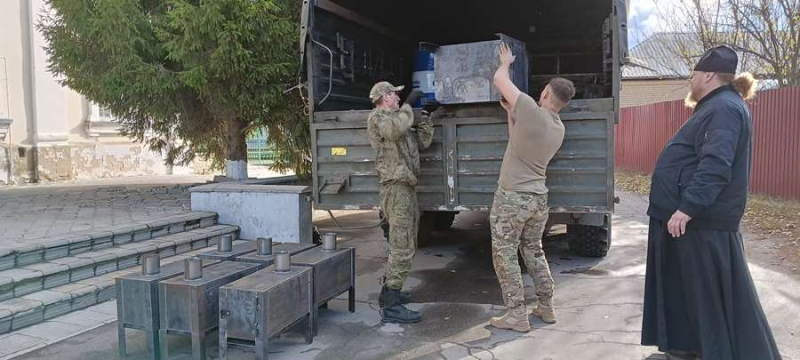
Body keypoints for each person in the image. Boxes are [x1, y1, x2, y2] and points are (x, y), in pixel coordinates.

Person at [641, 45, 781, 360]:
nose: (690, 79)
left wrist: (687, 207)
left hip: (702, 222)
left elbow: (717, 165)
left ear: (707, 74)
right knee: (691, 293)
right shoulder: (715, 107)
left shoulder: (724, 109)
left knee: (709, 298)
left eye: (693, 73)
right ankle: (689, 347)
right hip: (693, 221)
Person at [488, 43, 575, 332]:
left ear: (547, 93)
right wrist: (510, 114)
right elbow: (519, 139)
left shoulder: (530, 108)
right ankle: (546, 306)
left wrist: (506, 62)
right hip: (538, 200)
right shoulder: (557, 127)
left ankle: (515, 314)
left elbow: (500, 81)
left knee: (504, 252)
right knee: (533, 251)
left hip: (513, 197)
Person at [367, 81, 437, 323]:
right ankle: (391, 306)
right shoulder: (379, 118)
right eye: (395, 95)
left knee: (407, 241)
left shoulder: (398, 120)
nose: (398, 97)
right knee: (402, 246)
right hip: (395, 190)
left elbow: (423, 141)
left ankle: (389, 293)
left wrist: (426, 115)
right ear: (385, 97)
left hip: (406, 189)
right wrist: (409, 105)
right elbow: (394, 131)